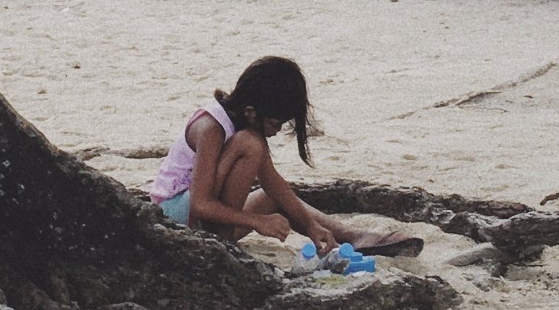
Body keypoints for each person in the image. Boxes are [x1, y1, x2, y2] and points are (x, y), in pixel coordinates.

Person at [147, 55, 420, 254]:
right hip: (175, 218)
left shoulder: (244, 123)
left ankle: (350, 237)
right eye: (275, 124)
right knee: (250, 143)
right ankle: (223, 242)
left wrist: (310, 226)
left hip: (201, 219)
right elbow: (201, 205)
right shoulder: (212, 128)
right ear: (252, 112)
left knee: (271, 196)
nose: (276, 132)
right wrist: (257, 221)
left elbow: (273, 182)